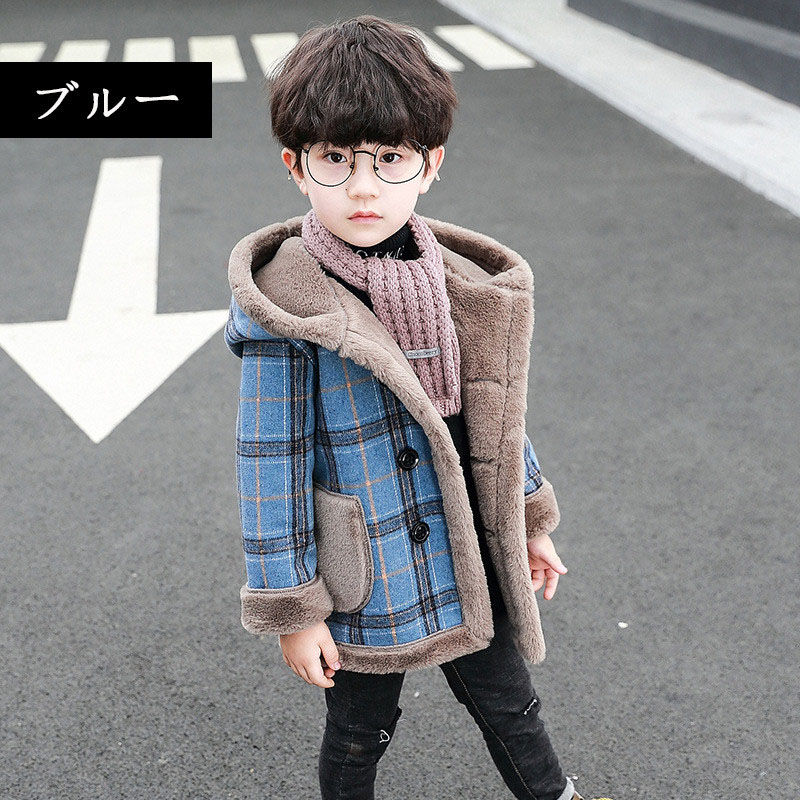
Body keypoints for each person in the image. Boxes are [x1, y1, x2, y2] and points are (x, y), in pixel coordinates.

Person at [224, 14, 590, 800]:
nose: (363, 186)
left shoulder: (456, 281)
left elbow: (494, 417)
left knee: (512, 705)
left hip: (466, 546)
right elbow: (269, 467)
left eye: (389, 158)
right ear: (296, 166)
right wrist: (295, 610)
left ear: (430, 166)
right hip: (370, 561)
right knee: (360, 730)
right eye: (335, 158)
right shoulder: (286, 305)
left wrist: (528, 517)